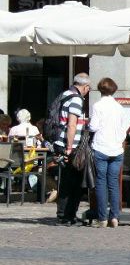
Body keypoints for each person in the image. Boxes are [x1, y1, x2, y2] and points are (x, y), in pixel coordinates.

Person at [52, 72, 91, 225]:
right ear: (85, 86)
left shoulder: (64, 94)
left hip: (59, 143)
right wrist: (69, 147)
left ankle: (63, 214)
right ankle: (68, 216)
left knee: (66, 181)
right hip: (70, 146)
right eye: (89, 88)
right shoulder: (76, 99)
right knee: (73, 182)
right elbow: (72, 124)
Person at [88, 77, 127, 229]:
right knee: (114, 183)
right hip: (117, 149)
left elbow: (93, 127)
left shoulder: (97, 106)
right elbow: (124, 130)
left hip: (101, 147)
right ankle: (115, 216)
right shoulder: (120, 108)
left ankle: (102, 218)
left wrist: (88, 124)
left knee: (101, 183)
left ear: (100, 90)